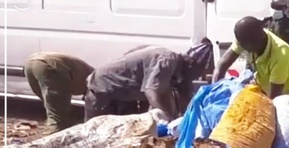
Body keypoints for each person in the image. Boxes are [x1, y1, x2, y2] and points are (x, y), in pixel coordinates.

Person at [84, 40, 213, 121]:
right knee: (94, 136)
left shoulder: (180, 72)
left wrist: (186, 120)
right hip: (103, 90)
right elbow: (152, 92)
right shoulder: (167, 60)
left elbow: (186, 97)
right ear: (191, 64)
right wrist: (166, 118)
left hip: (124, 97)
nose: (198, 78)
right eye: (200, 73)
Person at [211, 16, 289, 108]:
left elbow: (273, 101)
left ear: (257, 40)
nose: (242, 49)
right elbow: (221, 66)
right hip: (274, 91)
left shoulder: (280, 55)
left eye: (244, 46)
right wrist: (214, 94)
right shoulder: (245, 39)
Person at [24, 53, 94, 131]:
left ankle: (59, 127)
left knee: (53, 106)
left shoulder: (91, 76)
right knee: (58, 118)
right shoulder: (97, 83)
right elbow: (95, 106)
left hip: (31, 62)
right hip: (51, 65)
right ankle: (55, 135)